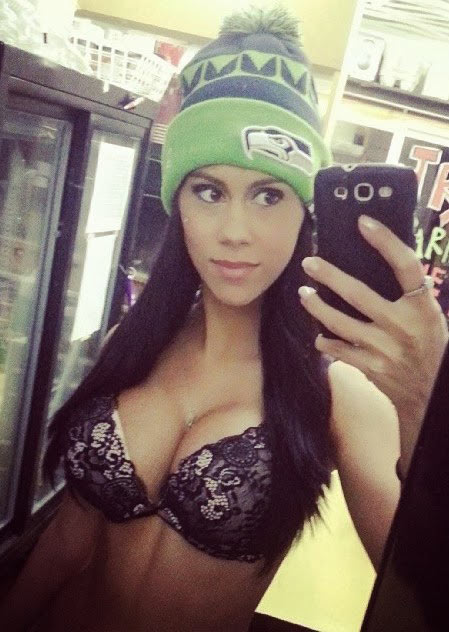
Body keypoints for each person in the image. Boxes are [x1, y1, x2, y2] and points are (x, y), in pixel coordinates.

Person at [1, 7, 447, 632]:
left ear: (305, 210)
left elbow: (426, 595)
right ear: (177, 201)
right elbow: (73, 532)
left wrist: (431, 408)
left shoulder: (335, 392)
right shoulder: (133, 342)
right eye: (208, 191)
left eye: (268, 195)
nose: (235, 232)